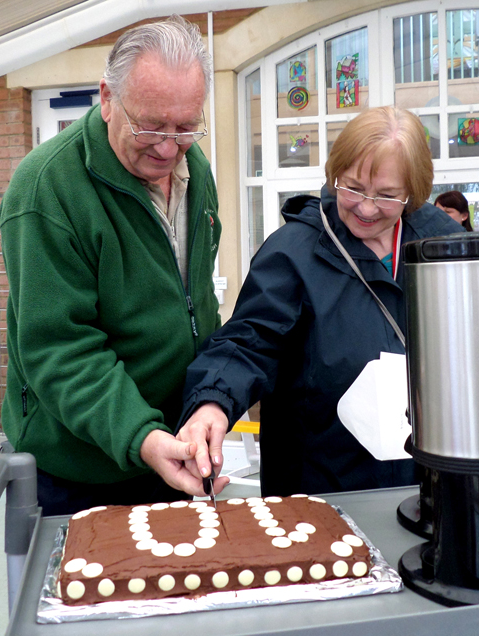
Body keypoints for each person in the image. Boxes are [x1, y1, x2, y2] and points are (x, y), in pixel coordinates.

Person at [0, 15, 223, 516]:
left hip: (177, 451)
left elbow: (197, 301)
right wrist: (140, 435)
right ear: (105, 97)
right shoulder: (45, 189)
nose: (169, 148)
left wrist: (210, 399)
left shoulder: (196, 170)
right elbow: (61, 349)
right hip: (79, 471)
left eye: (186, 127)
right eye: (150, 127)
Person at [176, 106, 462, 498]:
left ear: (413, 192)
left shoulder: (444, 249)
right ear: (334, 174)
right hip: (322, 486)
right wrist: (214, 401)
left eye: (386, 196)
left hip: (431, 482)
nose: (365, 207)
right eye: (353, 188)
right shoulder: (294, 253)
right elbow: (250, 341)